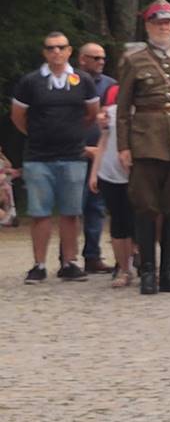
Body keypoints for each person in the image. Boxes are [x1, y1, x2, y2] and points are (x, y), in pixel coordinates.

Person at [117, 0, 170, 294]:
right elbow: (123, 108)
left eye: (168, 22)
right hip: (145, 141)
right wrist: (124, 147)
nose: (163, 27)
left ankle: (169, 271)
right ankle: (148, 272)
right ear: (148, 26)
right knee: (145, 207)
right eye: (157, 23)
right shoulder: (134, 59)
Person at [12, 29, 100, 282]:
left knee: (71, 213)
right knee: (40, 213)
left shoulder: (83, 80)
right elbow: (18, 117)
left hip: (72, 155)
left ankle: (69, 262)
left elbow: (91, 114)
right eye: (51, 48)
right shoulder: (30, 82)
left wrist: (71, 133)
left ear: (70, 51)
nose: (56, 52)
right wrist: (38, 133)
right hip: (39, 157)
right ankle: (39, 264)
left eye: (61, 47)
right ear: (44, 52)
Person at [86, 83, 135, 287]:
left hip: (136, 173)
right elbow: (102, 142)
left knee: (138, 220)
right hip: (110, 171)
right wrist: (94, 173)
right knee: (118, 221)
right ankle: (123, 269)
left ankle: (143, 263)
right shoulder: (110, 113)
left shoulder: (146, 113)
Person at [74, 42, 114, 273]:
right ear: (82, 59)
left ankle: (92, 256)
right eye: (95, 58)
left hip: (102, 154)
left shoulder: (110, 85)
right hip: (76, 152)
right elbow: (63, 121)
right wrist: (83, 147)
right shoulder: (71, 83)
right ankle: (68, 258)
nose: (100, 62)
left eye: (102, 58)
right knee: (74, 208)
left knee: (97, 207)